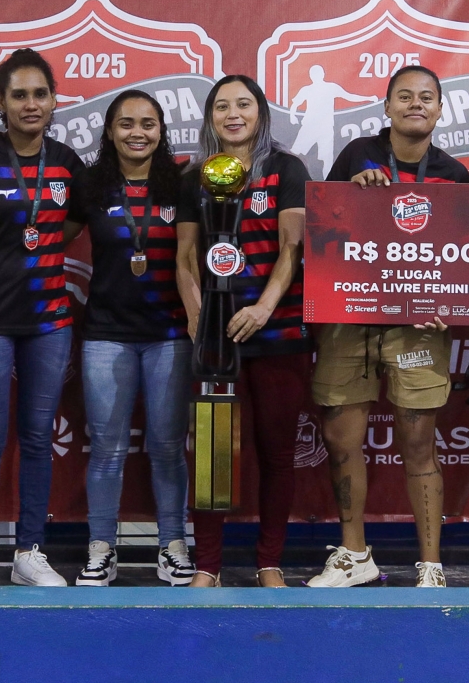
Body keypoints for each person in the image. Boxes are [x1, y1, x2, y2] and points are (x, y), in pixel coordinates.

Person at [307, 66, 469, 589]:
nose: (415, 104)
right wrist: (352, 191)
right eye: (404, 96)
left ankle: (431, 566)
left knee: (420, 443)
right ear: (387, 106)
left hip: (419, 327)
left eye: (426, 97)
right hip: (350, 319)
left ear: (440, 109)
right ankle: (354, 555)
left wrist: (452, 302)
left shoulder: (454, 175)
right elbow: (324, 231)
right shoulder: (358, 154)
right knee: (341, 440)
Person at [0, 49, 86, 587]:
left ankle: (30, 553)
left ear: (53, 100)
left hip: (50, 321)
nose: (31, 104)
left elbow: (73, 223)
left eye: (40, 94)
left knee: (37, 438)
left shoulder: (67, 163)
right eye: (19, 95)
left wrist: (38, 244)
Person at [176, 74, 313, 588]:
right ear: (210, 117)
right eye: (221, 106)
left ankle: (269, 562)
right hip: (215, 342)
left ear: (261, 113)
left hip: (278, 334)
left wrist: (263, 309)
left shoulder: (286, 168)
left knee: (277, 454)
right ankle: (207, 566)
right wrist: (198, 317)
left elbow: (292, 249)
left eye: (244, 105)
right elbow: (185, 256)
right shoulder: (194, 177)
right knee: (212, 454)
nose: (233, 114)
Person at [71, 90, 196, 587]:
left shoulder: (182, 184)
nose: (137, 133)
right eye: (126, 124)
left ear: (162, 131)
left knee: (167, 448)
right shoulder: (91, 184)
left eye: (148, 123)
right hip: (106, 334)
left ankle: (173, 545)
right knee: (107, 450)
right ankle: (101, 548)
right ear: (109, 131)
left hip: (169, 333)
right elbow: (50, 236)